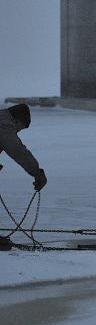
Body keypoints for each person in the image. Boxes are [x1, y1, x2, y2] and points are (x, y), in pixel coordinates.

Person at [1, 104, 47, 250]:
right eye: (20, 128)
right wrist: (36, 172)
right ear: (16, 121)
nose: (18, 132)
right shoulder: (4, 125)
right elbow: (16, 149)